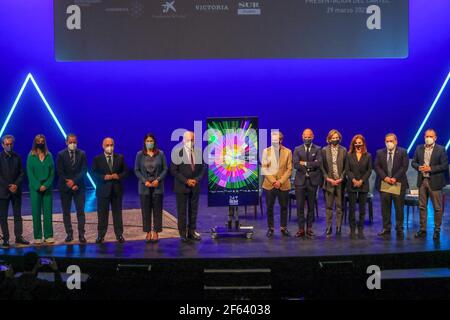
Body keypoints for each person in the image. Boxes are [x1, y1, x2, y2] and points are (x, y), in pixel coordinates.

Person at [412, 129, 449, 240]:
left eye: (431, 136)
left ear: (435, 138)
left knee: (437, 208)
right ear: (424, 137)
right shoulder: (419, 148)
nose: (428, 138)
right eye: (427, 136)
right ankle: (423, 229)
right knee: (422, 207)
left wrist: (430, 168)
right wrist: (419, 167)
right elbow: (413, 162)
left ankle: (437, 230)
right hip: (422, 181)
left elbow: (444, 165)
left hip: (435, 182)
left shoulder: (441, 149)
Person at [170, 131, 206, 243]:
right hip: (182, 186)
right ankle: (182, 234)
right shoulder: (177, 153)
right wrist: (186, 181)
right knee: (182, 211)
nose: (190, 142)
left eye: (192, 140)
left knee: (193, 210)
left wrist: (196, 180)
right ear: (183, 140)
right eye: (188, 140)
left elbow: (203, 169)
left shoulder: (199, 152)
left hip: (195, 186)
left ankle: (191, 232)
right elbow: (174, 170)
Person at [92, 137, 129, 244]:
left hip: (116, 190)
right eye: (107, 145)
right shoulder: (97, 159)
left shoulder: (120, 157)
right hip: (103, 191)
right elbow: (93, 173)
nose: (110, 147)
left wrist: (118, 176)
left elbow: (126, 172)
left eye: (111, 145)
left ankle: (119, 235)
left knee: (117, 214)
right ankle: (101, 235)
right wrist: (104, 177)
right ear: (103, 146)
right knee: (102, 214)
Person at [135, 133, 168, 243]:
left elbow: (165, 169)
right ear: (145, 142)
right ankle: (148, 231)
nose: (150, 143)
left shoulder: (161, 154)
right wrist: (145, 181)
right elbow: (136, 170)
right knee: (146, 210)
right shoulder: (140, 154)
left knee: (157, 210)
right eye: (148, 141)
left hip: (157, 186)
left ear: (154, 142)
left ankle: (156, 232)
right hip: (144, 187)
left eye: (151, 141)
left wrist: (157, 180)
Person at [374, 133, 409, 239]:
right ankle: (386, 228)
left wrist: (395, 178)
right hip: (385, 183)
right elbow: (377, 166)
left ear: (396, 141)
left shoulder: (403, 152)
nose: (389, 143)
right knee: (385, 208)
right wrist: (385, 177)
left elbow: (404, 166)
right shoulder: (380, 152)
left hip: (397, 183)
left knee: (399, 208)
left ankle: (399, 228)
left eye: (391, 141)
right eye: (387, 141)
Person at [56, 134, 88, 243]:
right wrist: (69, 183)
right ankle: (69, 234)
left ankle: (81, 235)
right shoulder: (61, 154)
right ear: (66, 143)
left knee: (80, 211)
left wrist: (74, 182)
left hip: (79, 187)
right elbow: (60, 171)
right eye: (70, 142)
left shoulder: (82, 154)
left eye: (74, 142)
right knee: (66, 212)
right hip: (65, 188)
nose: (73, 144)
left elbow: (84, 170)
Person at [261, 131, 292, 238]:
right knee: (270, 207)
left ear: (281, 140)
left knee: (284, 207)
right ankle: (271, 228)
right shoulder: (266, 151)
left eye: (277, 139)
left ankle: (283, 228)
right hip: (270, 184)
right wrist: (274, 181)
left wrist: (280, 181)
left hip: (283, 185)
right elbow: (264, 168)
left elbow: (289, 169)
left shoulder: (288, 152)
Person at [0, 135, 29, 247]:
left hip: (16, 191)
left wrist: (16, 185)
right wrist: (8, 186)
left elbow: (22, 173)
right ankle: (6, 239)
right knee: (3, 217)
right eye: (7, 144)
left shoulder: (18, 156)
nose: (9, 146)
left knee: (18, 215)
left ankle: (18, 237)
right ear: (3, 145)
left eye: (11, 144)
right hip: (3, 191)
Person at [293, 128, 322, 238]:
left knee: (311, 206)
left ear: (313, 136)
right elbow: (296, 164)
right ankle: (301, 229)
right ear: (302, 137)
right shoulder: (297, 149)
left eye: (309, 136)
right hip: (300, 182)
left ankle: (309, 228)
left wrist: (304, 163)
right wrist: (310, 166)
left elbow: (318, 163)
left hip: (312, 182)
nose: (307, 138)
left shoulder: (318, 149)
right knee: (300, 206)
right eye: (305, 136)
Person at [26, 135, 55, 245]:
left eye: (42, 141)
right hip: (35, 188)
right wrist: (38, 186)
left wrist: (46, 185)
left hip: (47, 188)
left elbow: (52, 173)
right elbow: (30, 173)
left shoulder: (49, 155)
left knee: (48, 212)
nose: (40, 143)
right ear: (35, 142)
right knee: (36, 212)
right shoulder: (31, 156)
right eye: (38, 141)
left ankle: (48, 235)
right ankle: (37, 236)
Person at [345, 134, 372, 239]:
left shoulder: (368, 155)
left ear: (363, 143)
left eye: (359, 143)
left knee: (362, 209)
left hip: (363, 184)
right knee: (351, 209)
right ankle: (352, 229)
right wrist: (353, 180)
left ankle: (360, 229)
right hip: (352, 184)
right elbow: (347, 170)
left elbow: (369, 170)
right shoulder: (349, 155)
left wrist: (361, 181)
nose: (358, 144)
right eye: (356, 143)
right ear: (353, 144)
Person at [321, 129, 347, 236]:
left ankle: (338, 227)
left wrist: (341, 178)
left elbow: (346, 167)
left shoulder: (344, 150)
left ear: (339, 138)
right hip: (329, 183)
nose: (335, 139)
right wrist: (328, 178)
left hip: (340, 183)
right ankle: (328, 227)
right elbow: (322, 167)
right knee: (329, 206)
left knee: (340, 206)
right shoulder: (324, 150)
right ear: (329, 139)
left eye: (337, 138)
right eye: (333, 138)